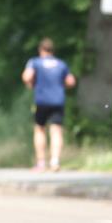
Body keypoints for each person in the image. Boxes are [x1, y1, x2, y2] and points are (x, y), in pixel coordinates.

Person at [21, 38, 76, 171]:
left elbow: (27, 77)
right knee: (56, 130)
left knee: (40, 129)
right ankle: (55, 161)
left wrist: (31, 84)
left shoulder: (35, 62)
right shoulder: (61, 64)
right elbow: (71, 81)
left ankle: (41, 163)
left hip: (42, 101)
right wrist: (60, 85)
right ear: (52, 50)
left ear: (41, 50)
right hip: (58, 100)